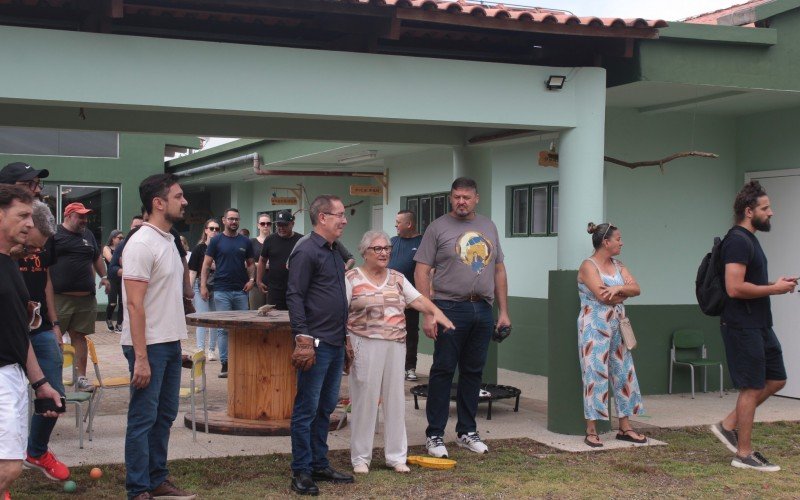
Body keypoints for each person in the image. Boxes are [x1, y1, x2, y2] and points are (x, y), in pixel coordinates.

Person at [414, 177, 511, 458]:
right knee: (443, 370)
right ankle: (435, 435)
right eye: (456, 197)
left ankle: (467, 431)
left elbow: (499, 270)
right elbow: (421, 271)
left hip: (482, 308)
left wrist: (503, 311)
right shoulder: (437, 228)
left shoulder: (488, 226)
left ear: (476, 198)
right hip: (448, 308)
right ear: (450, 197)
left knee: (473, 372)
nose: (461, 202)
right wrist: (429, 313)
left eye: (466, 197)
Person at [346, 230, 454, 475]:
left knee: (395, 400)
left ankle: (396, 457)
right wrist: (345, 344)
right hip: (364, 343)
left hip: (395, 345)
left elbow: (417, 299)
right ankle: (361, 458)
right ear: (365, 252)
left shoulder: (397, 277)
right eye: (378, 249)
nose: (384, 252)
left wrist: (438, 314)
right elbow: (340, 313)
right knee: (365, 401)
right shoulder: (351, 277)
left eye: (386, 248)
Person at [710, 181, 795, 472]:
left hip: (759, 324)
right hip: (742, 325)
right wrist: (775, 291)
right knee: (751, 387)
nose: (771, 212)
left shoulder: (750, 239)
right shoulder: (737, 241)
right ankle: (743, 454)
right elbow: (734, 288)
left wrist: (775, 284)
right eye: (765, 208)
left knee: (777, 379)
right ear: (749, 211)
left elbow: (747, 282)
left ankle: (729, 424)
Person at [121, 174, 195, 500]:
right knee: (143, 419)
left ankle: (157, 479)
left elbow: (168, 299)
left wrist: (177, 343)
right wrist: (140, 357)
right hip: (146, 346)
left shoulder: (169, 240)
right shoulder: (140, 243)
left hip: (168, 343)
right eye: (179, 196)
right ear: (158, 203)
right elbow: (134, 304)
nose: (185, 201)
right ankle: (138, 489)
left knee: (164, 416)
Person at [286, 194, 354, 496]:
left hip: (335, 341)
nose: (344, 219)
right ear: (322, 218)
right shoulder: (306, 250)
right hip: (315, 343)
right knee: (307, 409)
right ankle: (301, 471)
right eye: (339, 214)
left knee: (325, 408)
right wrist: (302, 337)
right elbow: (295, 295)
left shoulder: (334, 250)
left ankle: (319, 463)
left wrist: (346, 338)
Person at [0, 185, 63, 499]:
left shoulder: (9, 265)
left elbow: (18, 334)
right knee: (8, 468)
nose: (29, 222)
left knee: (8, 470)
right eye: (22, 215)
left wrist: (40, 383)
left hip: (12, 375)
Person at [577, 222, 646, 448]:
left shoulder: (618, 264)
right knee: (595, 373)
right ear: (606, 242)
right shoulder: (588, 266)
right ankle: (591, 430)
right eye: (618, 239)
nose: (621, 242)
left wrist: (618, 289)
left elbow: (636, 288)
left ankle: (625, 427)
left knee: (623, 372)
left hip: (617, 325)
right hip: (594, 326)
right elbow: (602, 297)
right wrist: (620, 292)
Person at [49, 202, 110, 392]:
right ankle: (53, 380)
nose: (84, 220)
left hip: (85, 298)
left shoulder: (88, 234)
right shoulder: (55, 235)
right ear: (68, 216)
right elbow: (45, 264)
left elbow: (96, 257)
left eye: (86, 216)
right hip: (60, 297)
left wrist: (105, 277)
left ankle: (81, 378)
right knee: (55, 340)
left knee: (79, 337)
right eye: (80, 216)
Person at [201, 208, 255, 378]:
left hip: (241, 291)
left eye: (236, 219)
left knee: (243, 328)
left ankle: (242, 361)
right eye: (230, 219)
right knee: (224, 329)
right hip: (221, 290)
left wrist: (251, 280)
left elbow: (251, 264)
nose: (233, 222)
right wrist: (203, 286)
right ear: (224, 220)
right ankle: (226, 364)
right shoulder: (216, 241)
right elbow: (206, 265)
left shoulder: (245, 242)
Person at [388, 210, 423, 381]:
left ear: (408, 224)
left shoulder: (422, 242)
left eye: (398, 222)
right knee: (391, 331)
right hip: (390, 296)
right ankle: (394, 366)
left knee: (410, 332)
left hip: (411, 297)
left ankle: (410, 367)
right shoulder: (392, 242)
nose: (395, 225)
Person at [187, 219, 220, 360]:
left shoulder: (220, 247)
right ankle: (201, 348)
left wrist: (215, 266)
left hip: (217, 286)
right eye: (211, 228)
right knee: (202, 318)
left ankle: (211, 350)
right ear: (205, 230)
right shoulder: (199, 249)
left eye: (217, 229)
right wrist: (188, 291)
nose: (214, 231)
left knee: (214, 320)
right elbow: (192, 271)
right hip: (200, 284)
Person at [257, 210, 302, 311]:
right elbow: (262, 260)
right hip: (275, 290)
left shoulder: (301, 240)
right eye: (279, 225)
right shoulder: (270, 239)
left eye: (285, 225)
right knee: (274, 319)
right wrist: (259, 280)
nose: (281, 228)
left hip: (296, 289)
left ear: (292, 224)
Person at [102, 230, 125, 332]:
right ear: (113, 238)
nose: (121, 240)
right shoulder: (107, 248)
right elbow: (112, 260)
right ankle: (108, 318)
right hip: (112, 278)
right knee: (112, 302)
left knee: (122, 302)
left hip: (122, 277)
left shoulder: (123, 249)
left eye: (123, 238)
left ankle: (119, 323)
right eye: (119, 238)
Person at [249, 213, 272, 309]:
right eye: (262, 223)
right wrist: (261, 265)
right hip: (256, 285)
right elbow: (246, 263)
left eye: (268, 223)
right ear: (258, 225)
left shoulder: (275, 240)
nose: (265, 226)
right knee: (255, 313)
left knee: (273, 314)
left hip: (273, 284)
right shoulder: (251, 242)